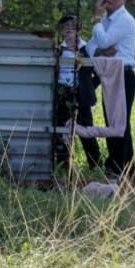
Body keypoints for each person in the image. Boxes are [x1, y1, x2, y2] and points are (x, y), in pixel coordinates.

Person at [87, 0, 135, 180]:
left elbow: (103, 40)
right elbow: (92, 47)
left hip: (122, 74)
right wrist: (100, 50)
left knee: (117, 125)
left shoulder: (124, 19)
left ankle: (117, 170)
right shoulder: (108, 20)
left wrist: (97, 20)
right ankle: (126, 171)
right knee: (117, 123)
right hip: (108, 74)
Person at [52, 14, 103, 170]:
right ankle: (63, 168)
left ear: (79, 28)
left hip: (81, 96)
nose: (69, 28)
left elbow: (100, 74)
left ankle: (96, 166)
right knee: (62, 131)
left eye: (73, 25)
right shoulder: (57, 50)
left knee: (87, 130)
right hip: (61, 95)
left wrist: (87, 89)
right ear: (61, 29)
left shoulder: (87, 49)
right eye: (65, 25)